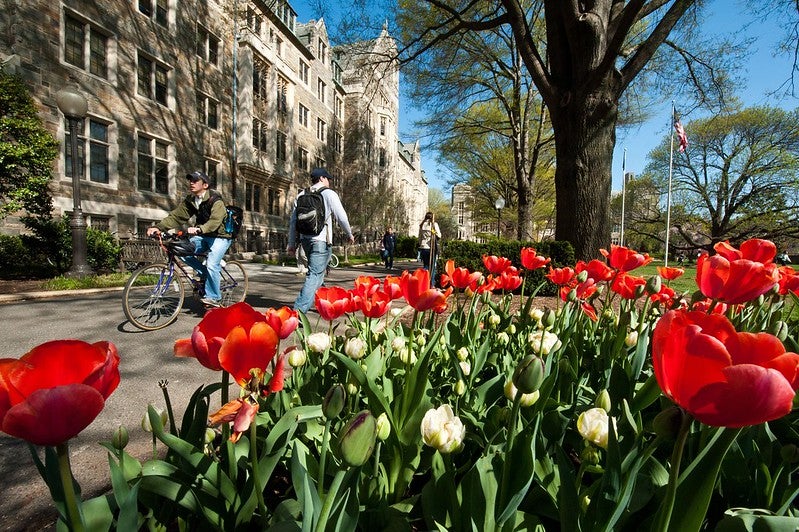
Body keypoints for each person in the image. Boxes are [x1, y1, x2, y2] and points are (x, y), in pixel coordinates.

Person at [146, 171, 232, 308]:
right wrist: (158, 227)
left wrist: (200, 229)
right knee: (181, 250)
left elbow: (215, 221)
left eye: (195, 180)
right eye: (190, 180)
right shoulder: (191, 201)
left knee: (212, 264)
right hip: (204, 235)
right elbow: (176, 217)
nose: (191, 182)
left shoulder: (216, 200)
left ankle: (214, 298)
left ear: (205, 185)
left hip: (220, 237)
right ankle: (205, 274)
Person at [286, 167, 355, 313]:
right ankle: (298, 313)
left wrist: (291, 244)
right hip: (321, 241)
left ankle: (325, 303)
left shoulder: (301, 195)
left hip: (305, 240)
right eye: (328, 179)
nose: (329, 181)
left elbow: (293, 223)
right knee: (315, 274)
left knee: (318, 272)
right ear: (322, 179)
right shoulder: (329, 194)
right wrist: (349, 233)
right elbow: (341, 216)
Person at [418, 211, 441, 287]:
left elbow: (420, 237)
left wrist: (421, 244)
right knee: (432, 266)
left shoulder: (422, 225)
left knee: (425, 266)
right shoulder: (434, 224)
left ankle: (423, 282)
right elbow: (439, 235)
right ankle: (431, 283)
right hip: (431, 247)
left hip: (423, 247)